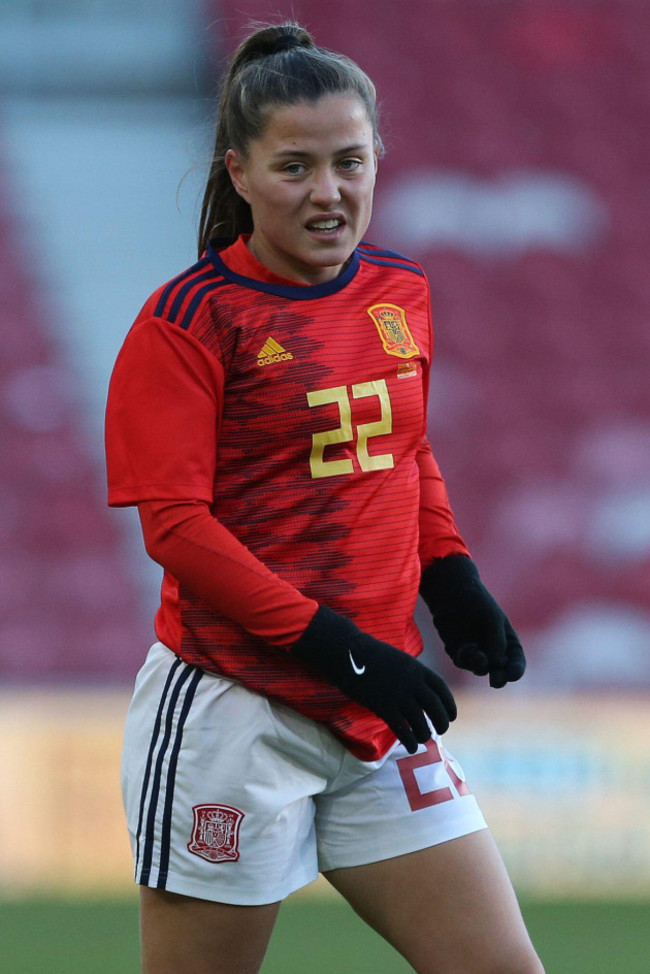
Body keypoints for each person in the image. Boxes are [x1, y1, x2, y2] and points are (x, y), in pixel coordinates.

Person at [105, 21, 544, 974]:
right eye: (295, 167)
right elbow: (176, 530)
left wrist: (452, 573)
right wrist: (338, 648)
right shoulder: (186, 322)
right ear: (240, 174)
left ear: (377, 157)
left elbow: (404, 449)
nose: (329, 191)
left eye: (349, 161)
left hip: (378, 715)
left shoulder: (401, 291)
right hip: (235, 711)